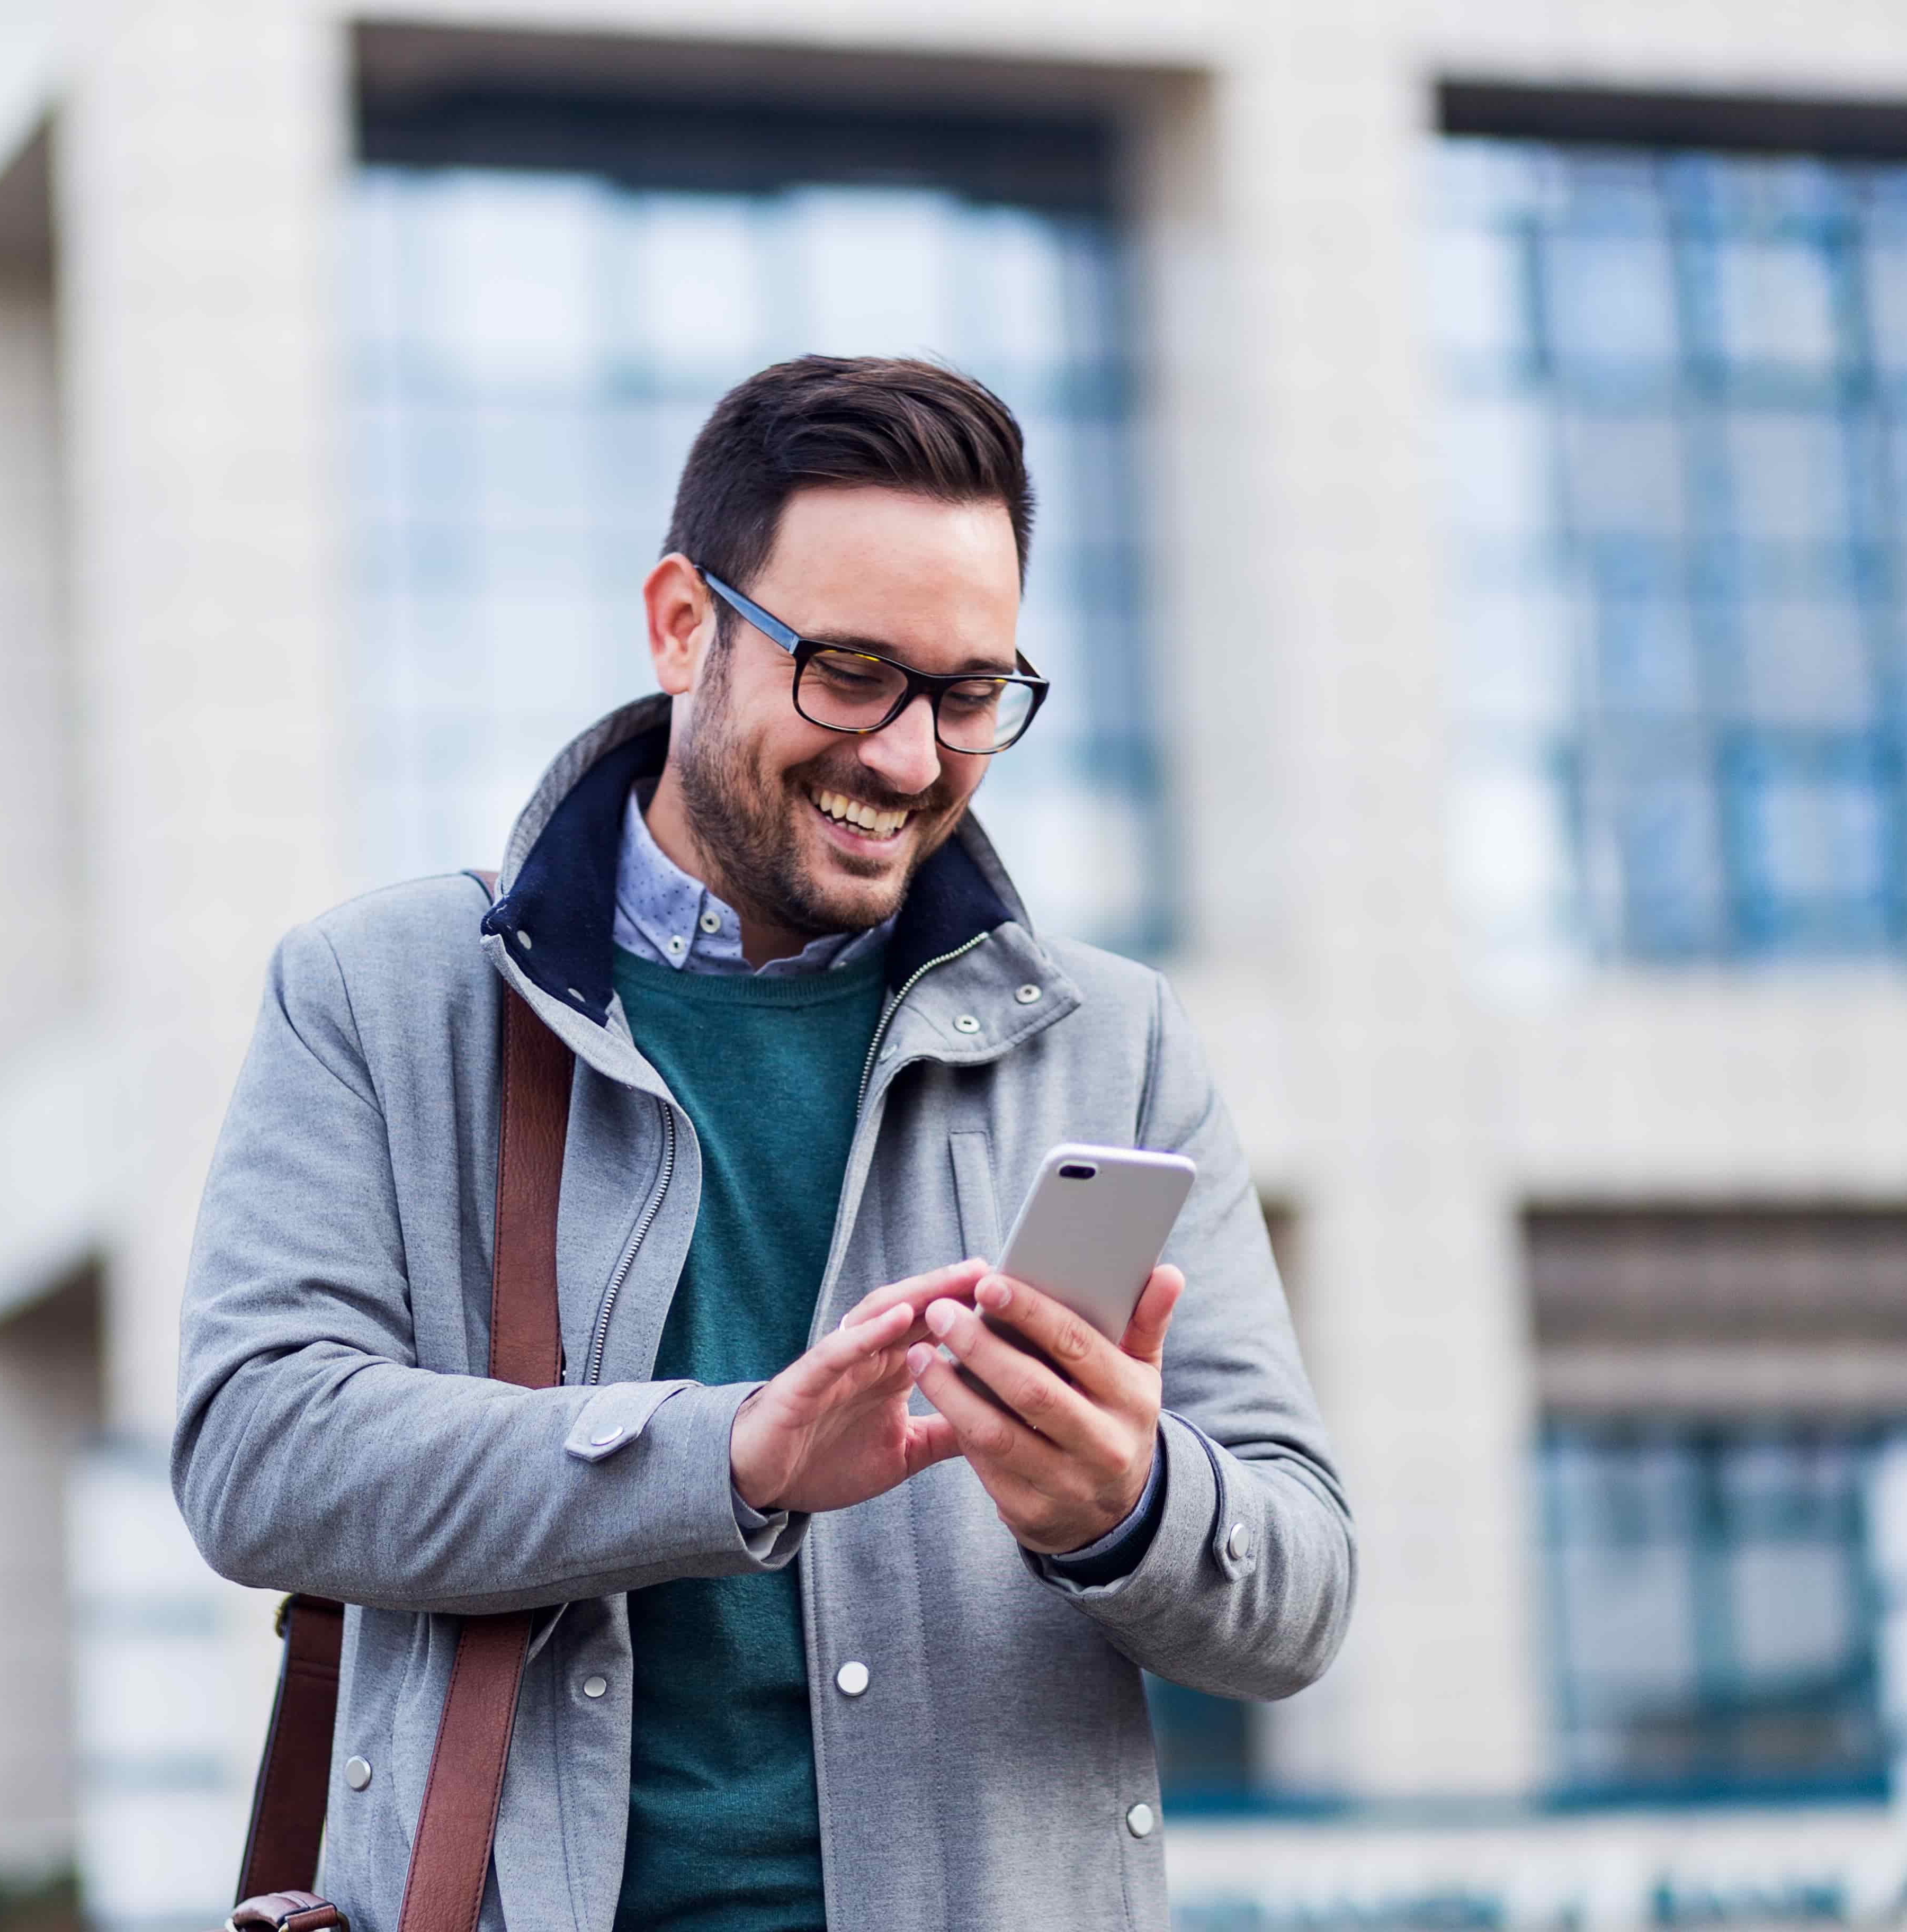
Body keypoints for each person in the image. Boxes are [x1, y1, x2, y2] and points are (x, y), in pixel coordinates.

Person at [175, 355, 1353, 1930]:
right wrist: (730, 1458)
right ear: (682, 624)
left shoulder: (1112, 1044)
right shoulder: (379, 997)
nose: (911, 757)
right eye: (852, 671)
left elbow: (1302, 1594)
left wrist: (1124, 1507)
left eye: (970, 693)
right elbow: (259, 1453)